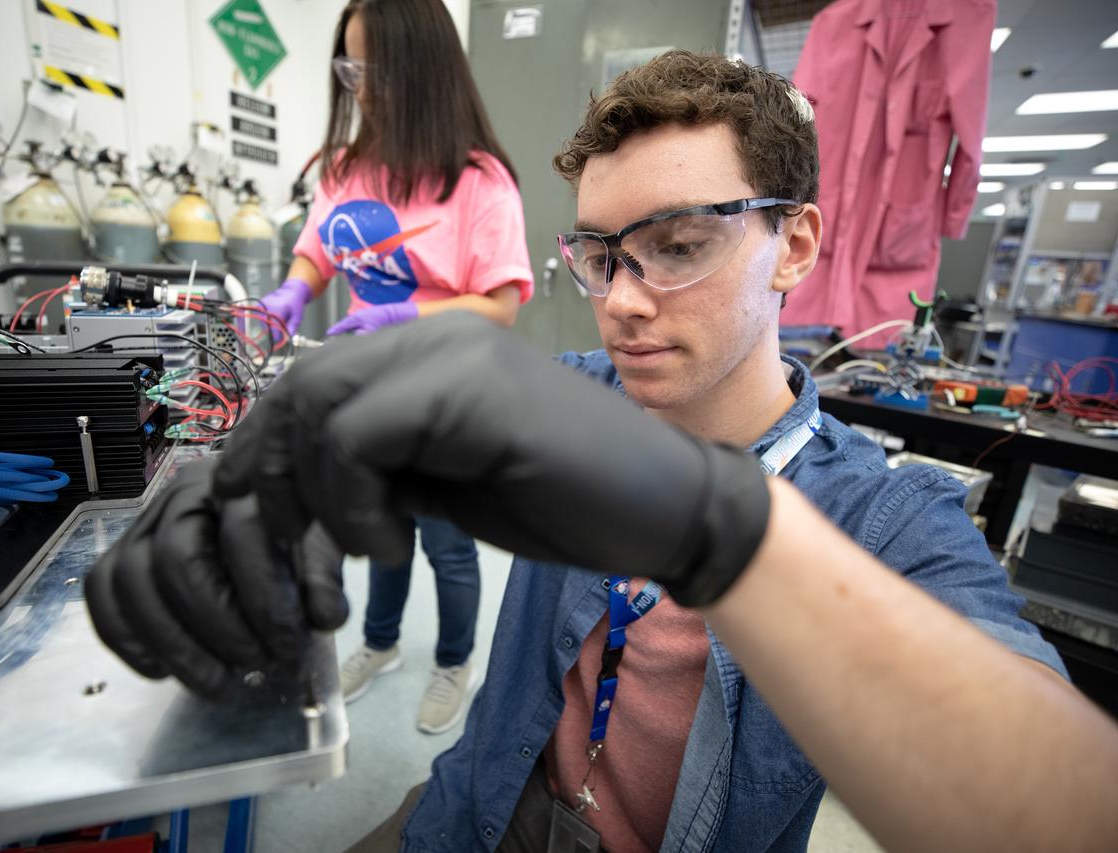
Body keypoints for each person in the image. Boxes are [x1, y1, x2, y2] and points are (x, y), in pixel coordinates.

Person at [86, 51, 1118, 852]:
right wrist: (244, 485)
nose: (623, 300)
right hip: (473, 811)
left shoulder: (886, 515)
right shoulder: (567, 402)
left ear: (793, 247)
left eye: (678, 247)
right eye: (600, 255)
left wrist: (722, 528)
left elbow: (1075, 815)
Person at [258, 0, 534, 733]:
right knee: (382, 528)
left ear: (423, 69)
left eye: (374, 69)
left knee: (447, 542)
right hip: (372, 391)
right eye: (350, 69)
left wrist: (403, 313)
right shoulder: (347, 168)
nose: (362, 88)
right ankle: (379, 644)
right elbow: (319, 248)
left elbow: (502, 302)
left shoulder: (479, 181)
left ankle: (453, 661)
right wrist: (294, 288)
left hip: (448, 393)